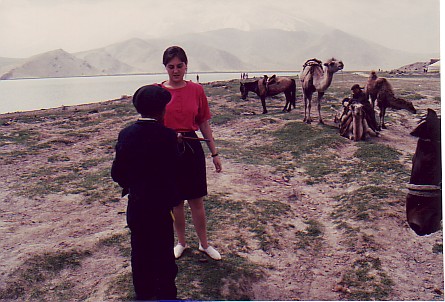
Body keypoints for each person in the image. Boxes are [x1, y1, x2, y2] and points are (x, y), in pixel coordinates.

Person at [111, 85, 180, 300]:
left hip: (137, 205)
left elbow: (117, 173)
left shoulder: (126, 134)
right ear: (161, 111)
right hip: (160, 208)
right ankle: (167, 295)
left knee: (140, 252)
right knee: (163, 253)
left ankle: (143, 295)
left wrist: (134, 186)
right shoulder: (168, 136)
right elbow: (173, 172)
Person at [160, 45, 223, 260]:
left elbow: (204, 123)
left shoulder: (196, 90)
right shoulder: (158, 91)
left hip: (191, 146)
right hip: (167, 149)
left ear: (186, 66)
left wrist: (214, 153)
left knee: (196, 199)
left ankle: (204, 244)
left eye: (180, 66)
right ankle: (181, 242)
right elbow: (152, 123)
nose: (176, 71)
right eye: (171, 66)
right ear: (165, 68)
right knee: (176, 201)